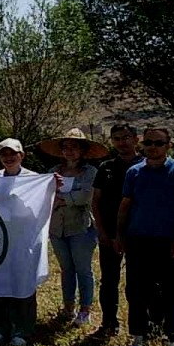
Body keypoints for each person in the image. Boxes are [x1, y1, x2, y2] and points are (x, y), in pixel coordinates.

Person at [116, 128, 174, 346]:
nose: (153, 147)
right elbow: (125, 206)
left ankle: (172, 339)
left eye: (159, 143)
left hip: (168, 242)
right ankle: (138, 336)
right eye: (149, 142)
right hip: (138, 241)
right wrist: (120, 235)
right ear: (142, 144)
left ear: (168, 145)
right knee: (136, 291)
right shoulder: (134, 172)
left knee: (171, 292)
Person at [38, 128, 105, 328]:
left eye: (74, 147)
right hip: (57, 229)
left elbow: (85, 196)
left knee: (83, 269)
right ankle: (68, 307)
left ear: (83, 150)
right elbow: (43, 194)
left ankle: (85, 310)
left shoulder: (91, 172)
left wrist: (61, 199)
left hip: (81, 228)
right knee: (66, 269)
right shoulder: (52, 172)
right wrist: (59, 198)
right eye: (66, 147)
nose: (69, 151)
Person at [0, 138, 41, 346]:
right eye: (4, 154)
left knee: (23, 283)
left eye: (13, 154)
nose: (8, 158)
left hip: (23, 239)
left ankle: (23, 329)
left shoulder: (33, 179)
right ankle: (0, 327)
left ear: (22, 155)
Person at [90, 123, 142, 335]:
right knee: (109, 281)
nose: (122, 142)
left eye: (126, 137)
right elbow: (96, 201)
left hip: (139, 233)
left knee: (138, 281)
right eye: (117, 138)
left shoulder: (146, 166)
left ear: (136, 139)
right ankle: (109, 323)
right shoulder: (106, 168)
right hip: (109, 233)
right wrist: (101, 231)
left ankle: (141, 327)